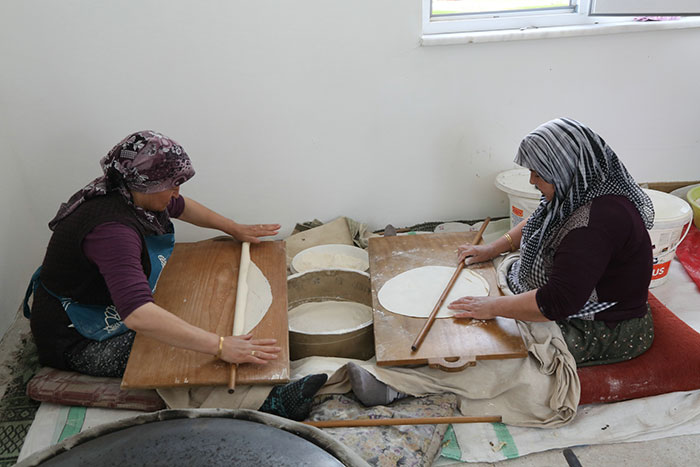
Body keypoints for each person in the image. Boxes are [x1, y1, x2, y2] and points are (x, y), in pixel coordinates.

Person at [25, 130, 325, 420]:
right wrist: (220, 346)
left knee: (201, 310)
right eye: (171, 185)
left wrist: (232, 227)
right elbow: (139, 316)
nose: (176, 192)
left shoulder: (130, 190)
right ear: (145, 185)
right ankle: (265, 403)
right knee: (176, 349)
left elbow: (181, 207)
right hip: (78, 337)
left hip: (107, 302)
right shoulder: (112, 232)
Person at [449, 118, 655, 367]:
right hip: (567, 291)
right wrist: (492, 248)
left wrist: (492, 307)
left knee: (501, 355)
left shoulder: (593, 226)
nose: (532, 181)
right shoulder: (581, 187)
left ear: (563, 169)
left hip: (602, 325)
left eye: (538, 175)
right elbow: (539, 220)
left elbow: (557, 301)